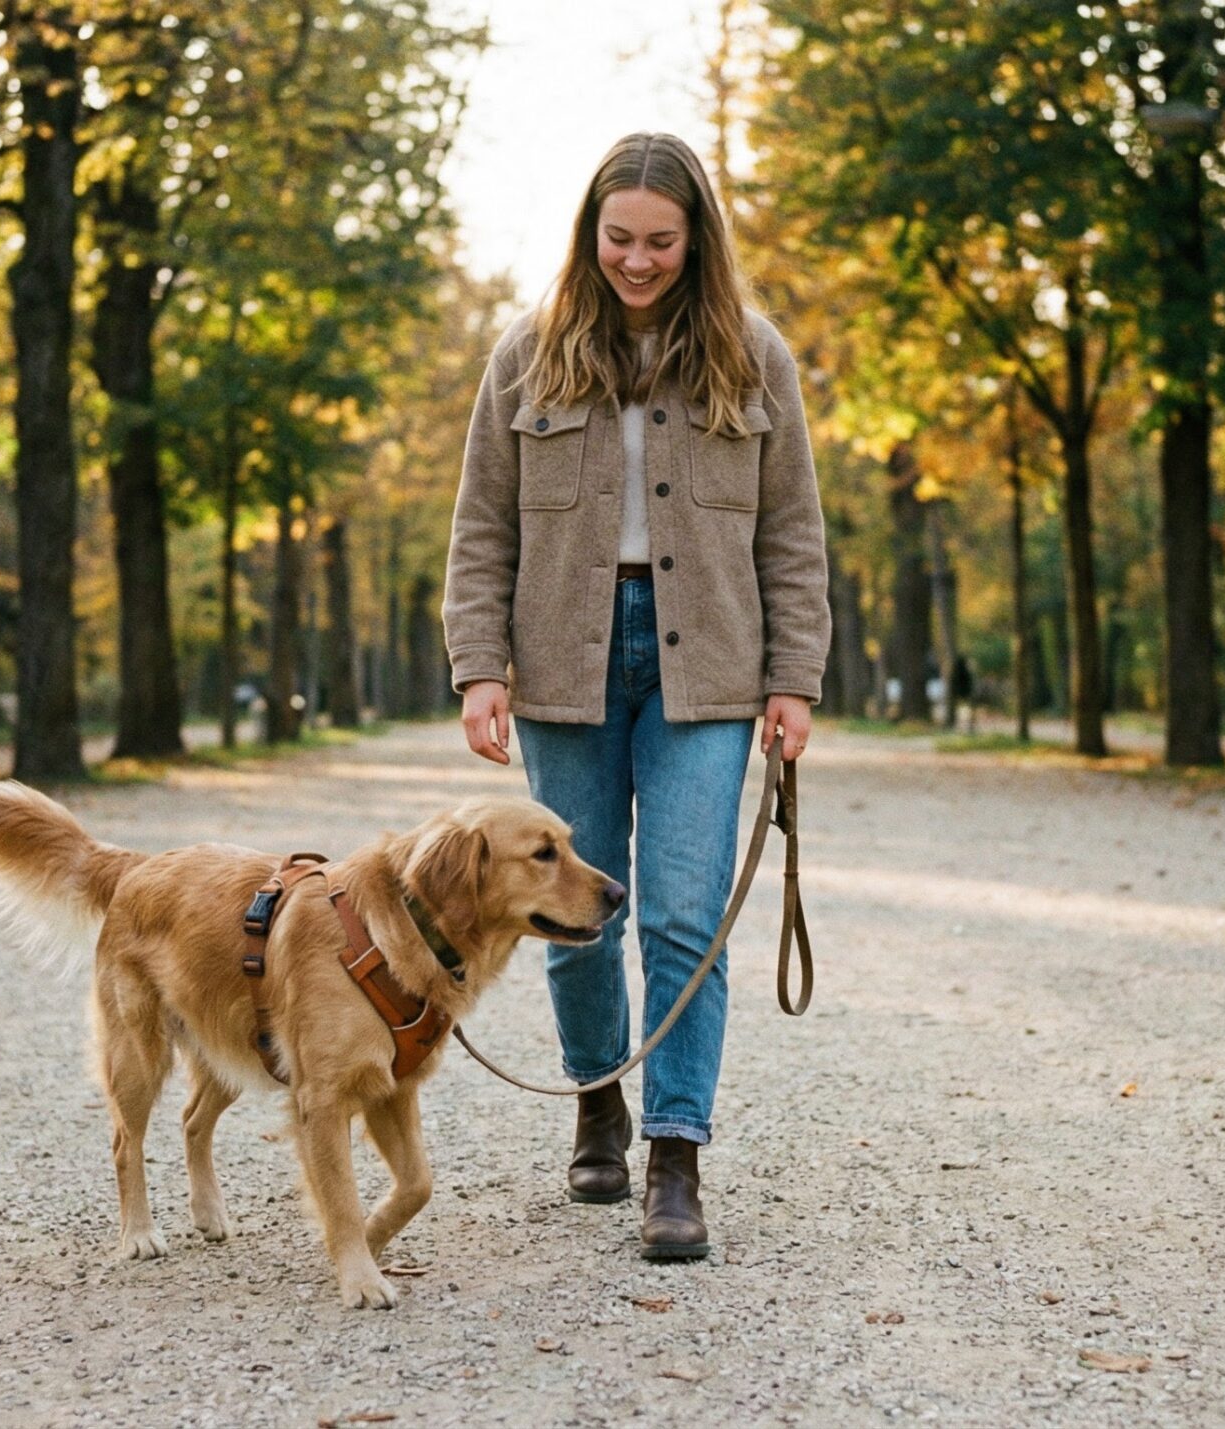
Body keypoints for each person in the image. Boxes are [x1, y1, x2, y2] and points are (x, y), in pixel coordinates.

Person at [442, 131, 830, 1261]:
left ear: (696, 239)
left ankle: (675, 1154)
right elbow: (482, 527)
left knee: (678, 917)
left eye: (661, 241)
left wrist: (793, 678)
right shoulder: (526, 355)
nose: (639, 261)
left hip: (706, 669)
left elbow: (794, 534)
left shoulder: (755, 358)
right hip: (563, 665)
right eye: (620, 239)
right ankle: (596, 1103)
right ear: (589, 233)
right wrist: (478, 665)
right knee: (569, 917)